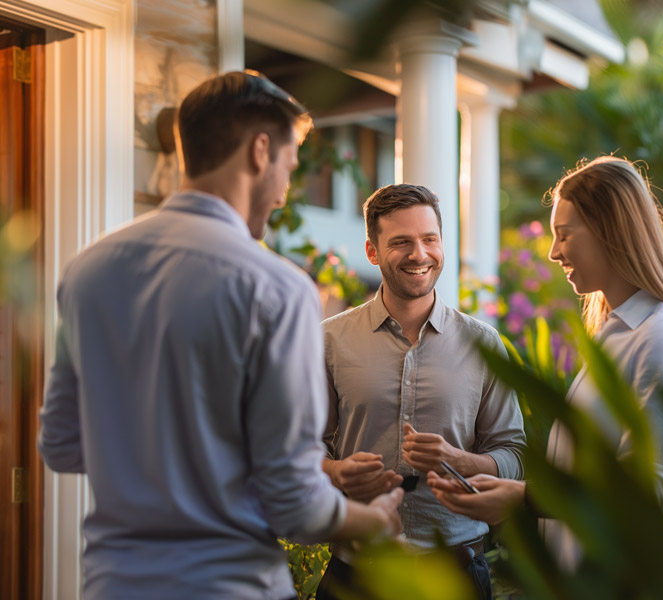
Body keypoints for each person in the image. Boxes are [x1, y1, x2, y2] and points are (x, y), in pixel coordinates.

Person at [37, 71, 404, 600]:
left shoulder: (87, 270)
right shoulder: (278, 290)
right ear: (260, 151)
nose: (283, 193)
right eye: (288, 165)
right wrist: (374, 521)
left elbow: (62, 446)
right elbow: (294, 503)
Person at [428, 156, 663, 569]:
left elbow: (646, 492)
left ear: (610, 230)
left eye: (564, 235)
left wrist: (524, 499)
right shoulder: (615, 333)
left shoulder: (662, 336)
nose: (553, 252)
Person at [316, 183, 526, 600]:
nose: (419, 254)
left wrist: (458, 460)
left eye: (430, 239)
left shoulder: (485, 345)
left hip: (458, 576)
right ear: (373, 252)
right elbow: (300, 447)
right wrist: (337, 473)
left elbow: (514, 456)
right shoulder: (329, 341)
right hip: (356, 575)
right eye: (401, 242)